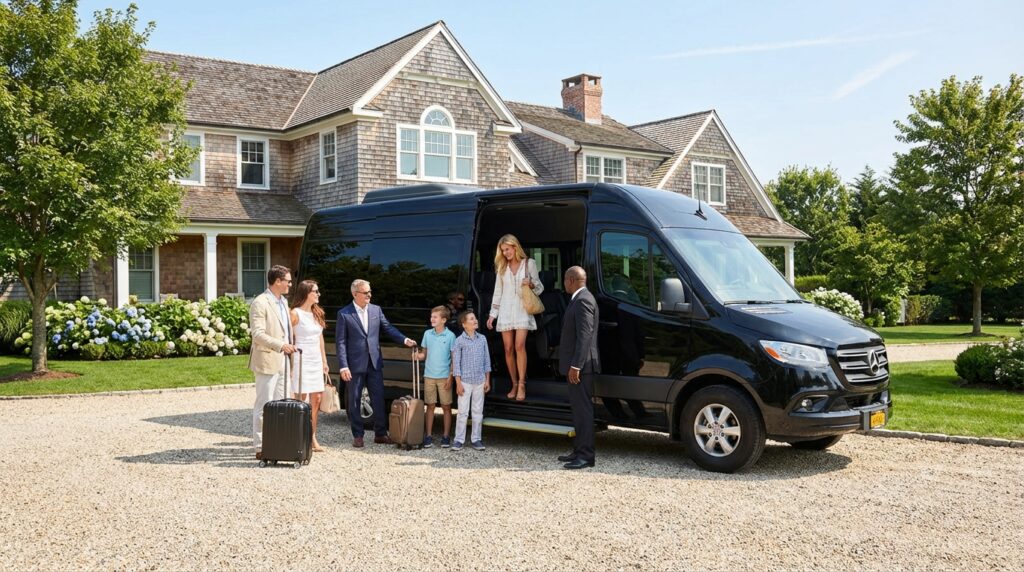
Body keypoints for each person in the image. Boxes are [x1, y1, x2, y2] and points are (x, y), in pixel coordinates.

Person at [336, 278, 417, 448]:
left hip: (374, 363)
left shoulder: (376, 310)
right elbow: (341, 342)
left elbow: (388, 328)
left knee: (378, 398)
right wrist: (343, 365)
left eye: (370, 292)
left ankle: (380, 433)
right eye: (366, 292)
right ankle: (358, 435)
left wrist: (404, 340)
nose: (369, 295)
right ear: (355, 294)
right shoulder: (344, 313)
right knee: (355, 401)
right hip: (354, 365)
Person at [248, 265, 298, 461]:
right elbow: (258, 334)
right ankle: (260, 446)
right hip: (267, 359)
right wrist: (281, 345)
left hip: (284, 360)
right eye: (287, 281)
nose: (290, 284)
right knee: (265, 404)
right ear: (277, 281)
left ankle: (279, 441)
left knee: (283, 403)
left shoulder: (283, 302)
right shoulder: (260, 302)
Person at [485, 234, 543, 401]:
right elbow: (498, 293)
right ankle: (514, 383)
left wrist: (530, 283)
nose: (505, 253)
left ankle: (522, 384)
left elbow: (540, 288)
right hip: (505, 311)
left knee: (519, 346)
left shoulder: (529, 264)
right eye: (503, 251)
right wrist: (492, 316)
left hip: (522, 310)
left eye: (507, 249)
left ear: (515, 247)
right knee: (508, 349)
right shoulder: (502, 268)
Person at [557, 266, 600, 470]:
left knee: (583, 411)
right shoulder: (580, 298)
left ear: (571, 280)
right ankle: (579, 450)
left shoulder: (583, 300)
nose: (564, 283)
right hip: (578, 365)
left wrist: (576, 365)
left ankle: (586, 456)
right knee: (578, 410)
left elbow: (585, 336)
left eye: (565, 280)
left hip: (581, 367)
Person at [289, 279, 329, 452]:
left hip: (315, 359)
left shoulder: (317, 313)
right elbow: (289, 338)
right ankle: (297, 435)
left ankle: (312, 436)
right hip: (301, 359)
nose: (318, 294)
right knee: (301, 398)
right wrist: (290, 363)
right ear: (306, 293)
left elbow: (320, 339)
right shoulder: (295, 313)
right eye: (316, 291)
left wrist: (324, 362)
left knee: (317, 399)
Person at [416, 306, 457, 448]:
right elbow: (424, 354)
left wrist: (451, 376)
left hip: (444, 376)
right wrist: (417, 356)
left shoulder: (451, 336)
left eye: (435, 317)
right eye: (431, 316)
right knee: (430, 405)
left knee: (446, 406)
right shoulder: (427, 334)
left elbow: (453, 359)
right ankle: (428, 436)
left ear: (444, 320)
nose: (432, 319)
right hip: (429, 376)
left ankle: (446, 436)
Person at [451, 311, 491, 452]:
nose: (475, 320)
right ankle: (458, 440)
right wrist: (458, 383)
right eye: (471, 319)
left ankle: (476, 439)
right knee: (462, 412)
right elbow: (456, 363)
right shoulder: (459, 341)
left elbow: (487, 361)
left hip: (479, 381)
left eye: (475, 318)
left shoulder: (482, 339)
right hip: (465, 382)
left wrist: (487, 380)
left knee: (477, 411)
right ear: (464, 324)